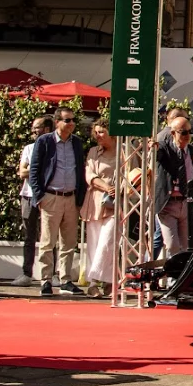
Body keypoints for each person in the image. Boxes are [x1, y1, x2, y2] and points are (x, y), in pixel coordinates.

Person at [28, 109, 86, 295]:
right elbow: (34, 170)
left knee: (68, 242)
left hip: (71, 197)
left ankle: (65, 280)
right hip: (51, 196)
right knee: (48, 242)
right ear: (57, 122)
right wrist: (40, 197)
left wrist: (80, 198)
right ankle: (45, 280)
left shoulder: (77, 143)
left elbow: (81, 170)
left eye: (73, 120)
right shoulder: (45, 141)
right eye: (67, 120)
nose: (72, 124)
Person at [156, 114, 193, 257]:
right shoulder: (165, 149)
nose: (187, 136)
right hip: (168, 204)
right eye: (183, 132)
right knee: (172, 246)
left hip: (188, 204)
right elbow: (156, 154)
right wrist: (152, 148)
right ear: (173, 133)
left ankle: (180, 272)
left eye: (190, 131)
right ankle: (172, 271)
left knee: (186, 248)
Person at [12, 115, 51, 288]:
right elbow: (22, 172)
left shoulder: (53, 148)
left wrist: (32, 170)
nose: (33, 130)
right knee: (29, 235)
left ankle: (50, 274)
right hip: (28, 196)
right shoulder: (28, 148)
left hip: (48, 195)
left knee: (49, 235)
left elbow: (52, 171)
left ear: (47, 129)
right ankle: (26, 273)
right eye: (33, 127)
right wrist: (40, 170)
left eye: (37, 127)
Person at [81, 123, 119, 297]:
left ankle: (101, 280)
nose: (98, 135)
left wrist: (118, 189)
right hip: (95, 201)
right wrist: (107, 187)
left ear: (111, 133)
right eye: (95, 132)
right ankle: (97, 283)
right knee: (94, 244)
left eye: (102, 132)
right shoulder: (93, 152)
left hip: (117, 202)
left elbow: (133, 173)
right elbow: (89, 175)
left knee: (107, 242)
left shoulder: (124, 151)